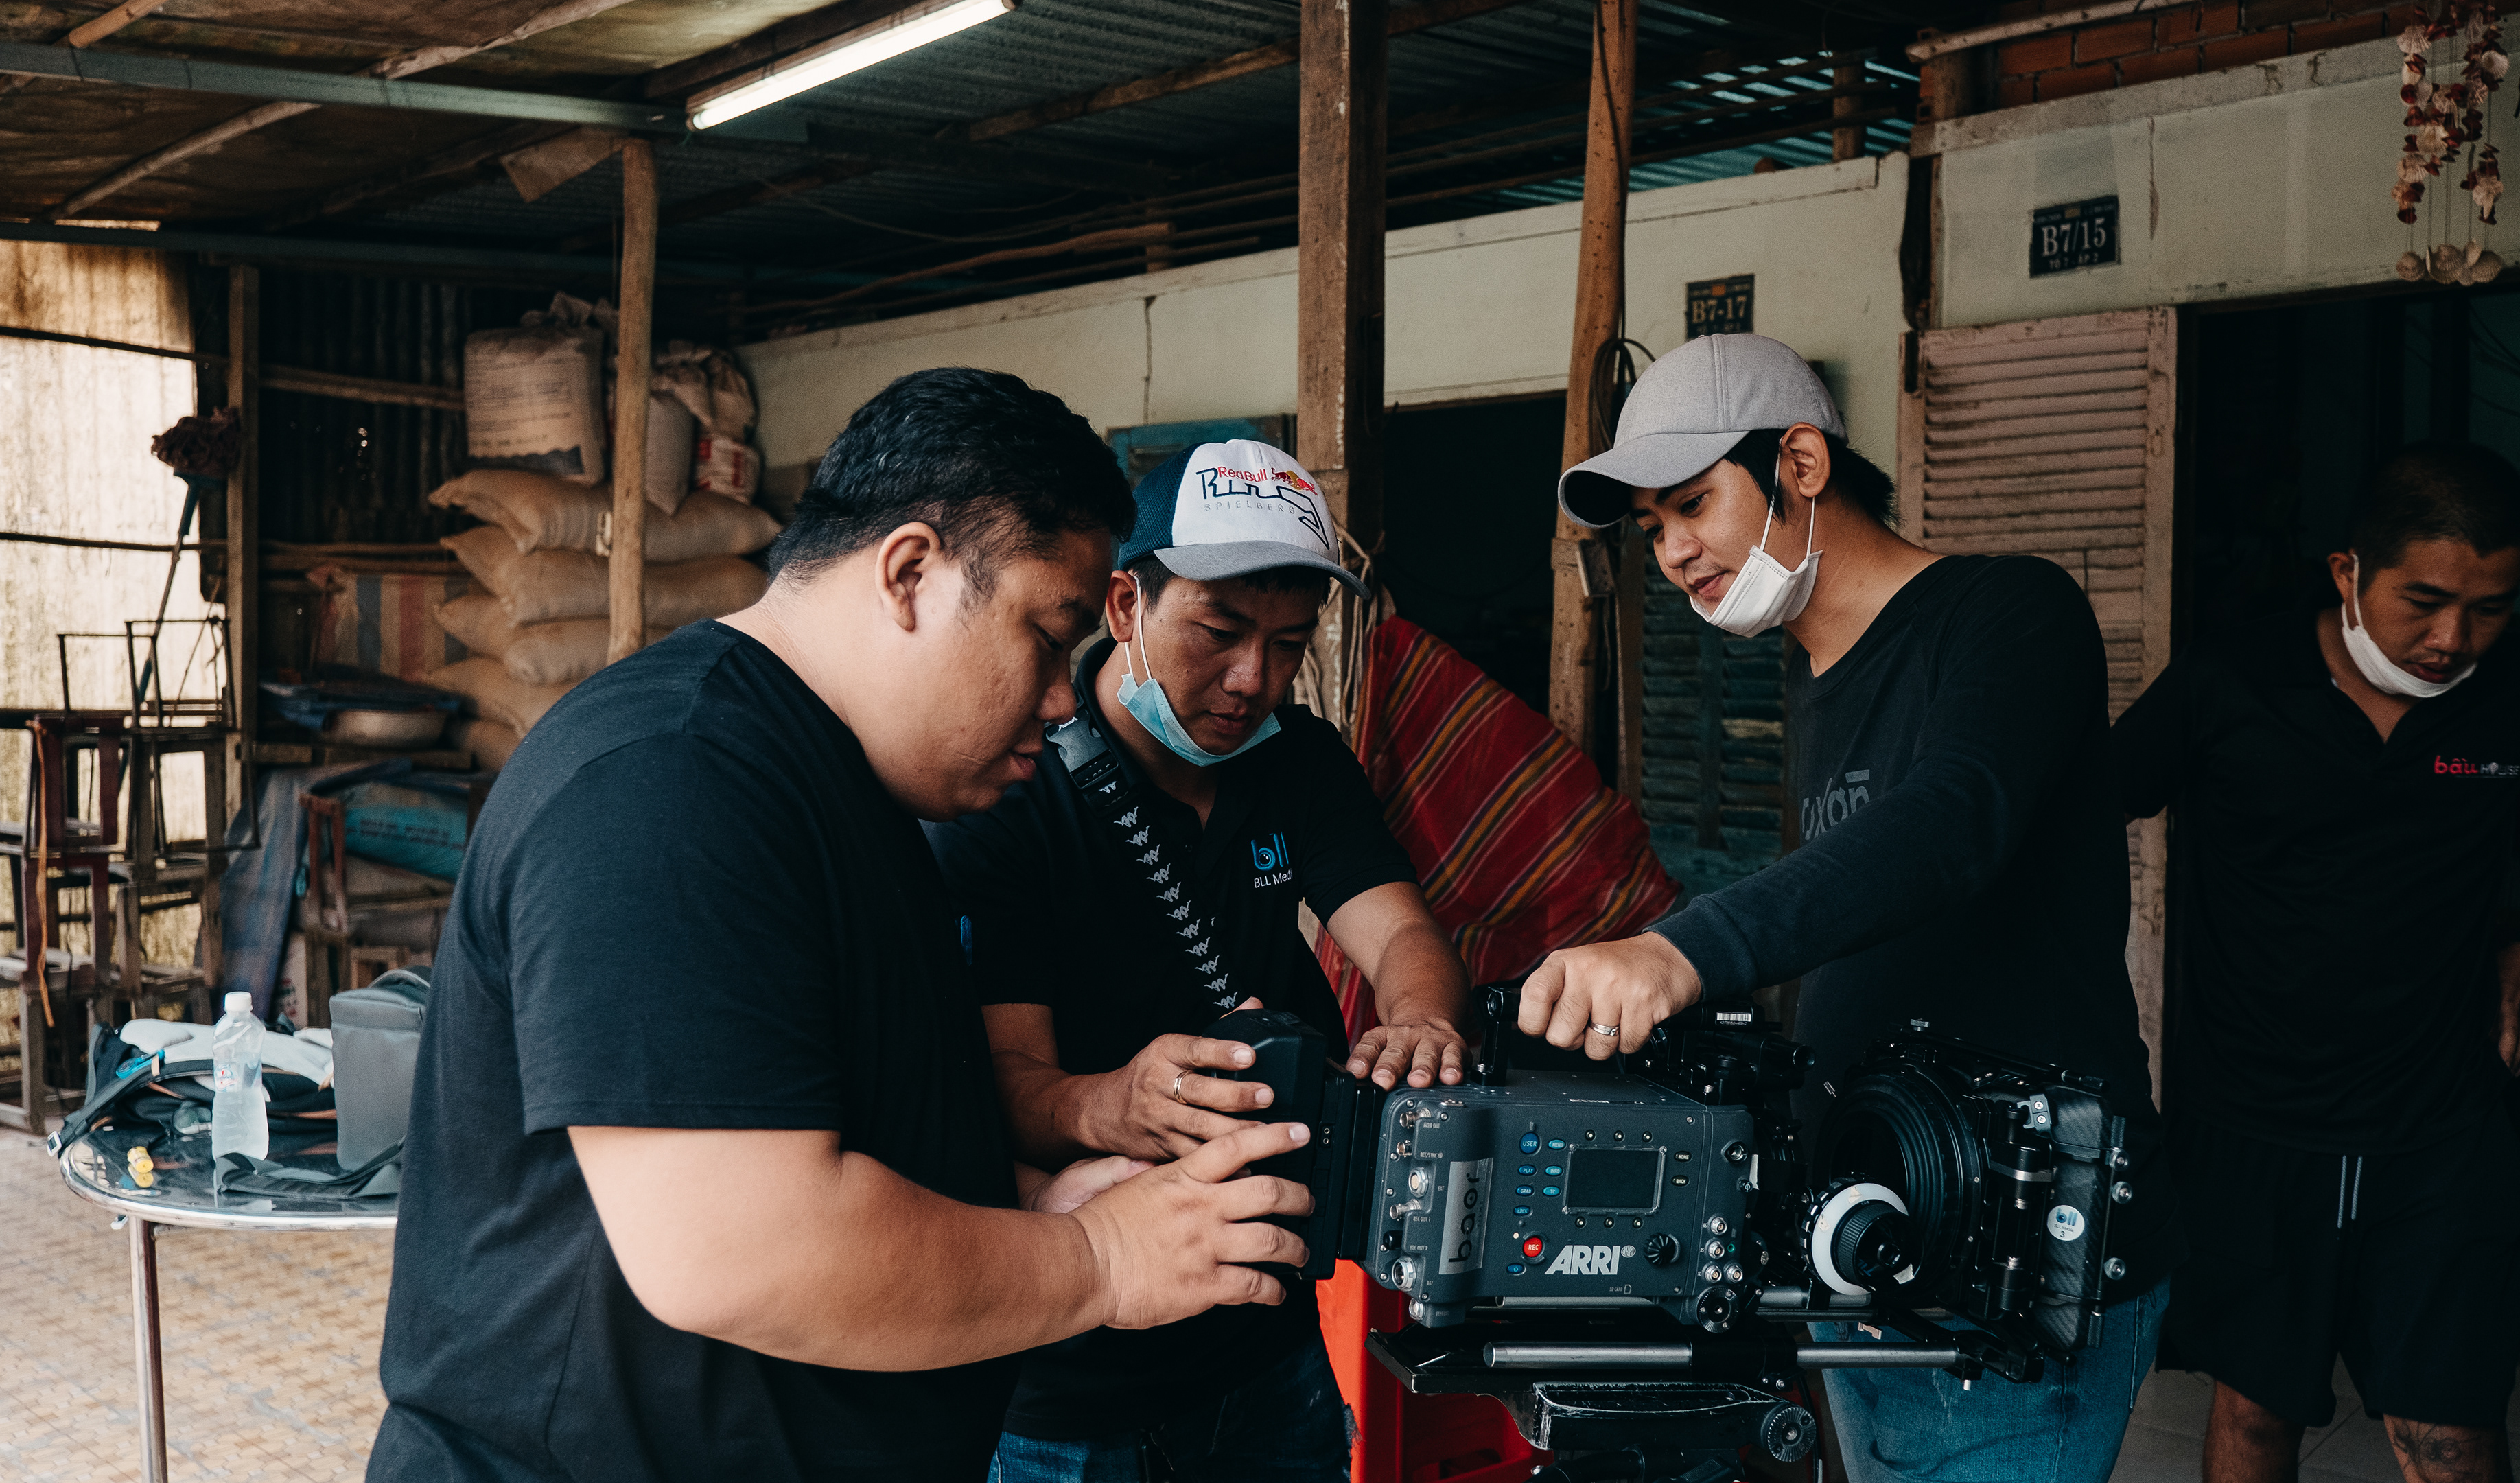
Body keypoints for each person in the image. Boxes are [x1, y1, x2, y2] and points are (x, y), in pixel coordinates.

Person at [368, 371, 1320, 1483]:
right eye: (1046, 636)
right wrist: (1096, 1257)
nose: (1065, 698)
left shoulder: (860, 799)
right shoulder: (671, 785)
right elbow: (739, 1248)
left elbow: (848, 1123)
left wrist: (1030, 1205)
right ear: (911, 573)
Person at [1526, 332, 2182, 1483]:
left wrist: (1684, 951)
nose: (1672, 552)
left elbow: (1951, 823)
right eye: (1652, 527)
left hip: (2020, 1256)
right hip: (1880, 1234)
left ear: (1802, 464)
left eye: (1692, 503)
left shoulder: (2009, 609)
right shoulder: (1812, 676)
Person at [928, 439, 1475, 1481]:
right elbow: (1002, 1079)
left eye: (1288, 644)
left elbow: (1404, 936)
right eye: (1219, 633)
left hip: (1265, 1339)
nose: (1252, 680)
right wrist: (1114, 1104)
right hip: (1071, 1375)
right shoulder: (1017, 785)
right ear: (1125, 604)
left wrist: (1421, 1024)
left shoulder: (1300, 762)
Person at [2112, 443, 2520, 1483]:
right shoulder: (2231, 680)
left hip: (2439, 1127)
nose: (2452, 639)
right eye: (2425, 601)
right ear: (2349, 571)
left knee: (2450, 1430)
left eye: (2489, 607)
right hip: (2252, 1124)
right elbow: (2082, 809)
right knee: (2254, 1411)